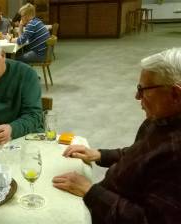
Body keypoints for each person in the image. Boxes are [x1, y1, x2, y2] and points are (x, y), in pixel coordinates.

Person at [52, 48, 181, 223]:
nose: (137, 96)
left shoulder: (175, 155)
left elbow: (147, 220)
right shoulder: (161, 119)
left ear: (175, 94)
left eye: (143, 89)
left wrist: (91, 191)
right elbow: (141, 153)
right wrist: (100, 154)